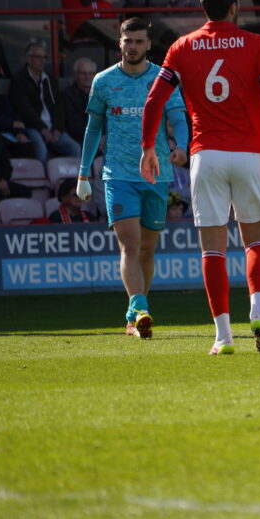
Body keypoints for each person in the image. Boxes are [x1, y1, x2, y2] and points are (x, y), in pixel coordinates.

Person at [139, 0, 260, 356]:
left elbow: (153, 101)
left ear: (203, 8)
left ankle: (223, 337)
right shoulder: (256, 44)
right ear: (235, 7)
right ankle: (258, 313)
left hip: (206, 155)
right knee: (256, 240)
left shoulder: (182, 46)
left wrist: (149, 147)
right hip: (249, 154)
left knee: (212, 249)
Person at [79, 17, 189, 338]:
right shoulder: (103, 81)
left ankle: (133, 316)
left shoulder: (163, 79)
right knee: (130, 244)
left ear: (148, 44)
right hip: (118, 175)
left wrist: (181, 146)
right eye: (128, 41)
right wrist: (83, 173)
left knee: (147, 250)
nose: (134, 46)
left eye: (139, 41)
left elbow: (178, 118)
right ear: (120, 43)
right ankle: (141, 309)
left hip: (156, 175)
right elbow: (93, 129)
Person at [10, 42, 81, 162]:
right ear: (29, 59)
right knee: (41, 148)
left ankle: (73, 180)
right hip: (32, 126)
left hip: (53, 128)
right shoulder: (19, 80)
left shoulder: (50, 79)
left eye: (44, 57)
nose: (43, 61)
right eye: (38, 57)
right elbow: (25, 109)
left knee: (75, 148)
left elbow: (59, 106)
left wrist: (58, 129)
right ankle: (43, 180)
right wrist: (43, 130)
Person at [59, 57, 96, 150]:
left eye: (91, 73)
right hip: (78, 140)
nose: (87, 77)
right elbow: (74, 126)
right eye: (83, 73)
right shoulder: (67, 95)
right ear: (76, 75)